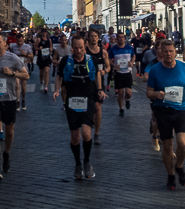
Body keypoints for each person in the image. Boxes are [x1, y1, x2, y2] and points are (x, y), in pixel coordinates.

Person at [53, 35, 105, 181]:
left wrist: (100, 90)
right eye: (76, 48)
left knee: (87, 134)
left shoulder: (91, 60)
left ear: (85, 46)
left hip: (88, 99)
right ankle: (77, 164)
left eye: (81, 47)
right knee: (75, 136)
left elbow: (98, 75)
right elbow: (59, 77)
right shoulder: (65, 61)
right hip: (72, 101)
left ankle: (87, 161)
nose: (79, 50)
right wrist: (57, 90)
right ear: (72, 48)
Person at [146, 38, 185, 190]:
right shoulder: (155, 70)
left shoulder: (182, 67)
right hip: (163, 110)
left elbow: (184, 82)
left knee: (183, 144)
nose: (168, 54)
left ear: (175, 52)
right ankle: (171, 175)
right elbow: (148, 92)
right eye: (165, 51)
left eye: (171, 51)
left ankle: (179, 166)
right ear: (161, 52)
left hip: (180, 109)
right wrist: (157, 95)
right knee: (167, 146)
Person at [0, 31, 28, 179]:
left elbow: (26, 75)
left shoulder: (13, 58)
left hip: (9, 99)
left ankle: (6, 153)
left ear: (5, 44)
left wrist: (12, 74)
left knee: (9, 132)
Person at [85, 30, 111, 145]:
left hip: (99, 82)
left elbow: (109, 67)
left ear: (98, 38)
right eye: (92, 36)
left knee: (98, 107)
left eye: (96, 36)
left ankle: (96, 133)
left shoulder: (103, 52)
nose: (94, 38)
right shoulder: (85, 51)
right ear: (89, 38)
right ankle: (87, 128)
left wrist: (104, 71)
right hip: (86, 82)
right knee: (88, 108)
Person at [108, 31, 135, 116]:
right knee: (120, 93)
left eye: (122, 37)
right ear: (117, 39)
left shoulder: (129, 48)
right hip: (119, 73)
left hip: (127, 72)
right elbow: (109, 59)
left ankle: (127, 100)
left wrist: (132, 62)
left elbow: (133, 56)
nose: (121, 38)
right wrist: (114, 65)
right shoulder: (113, 49)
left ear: (124, 38)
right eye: (119, 37)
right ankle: (121, 109)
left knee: (128, 93)